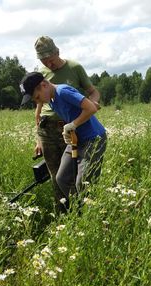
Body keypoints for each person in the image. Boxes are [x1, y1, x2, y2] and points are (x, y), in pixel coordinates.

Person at [22, 36, 100, 212]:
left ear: (57, 52)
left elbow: (93, 93)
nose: (49, 64)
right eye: (44, 61)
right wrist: (38, 138)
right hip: (47, 129)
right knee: (57, 177)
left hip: (70, 127)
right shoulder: (40, 76)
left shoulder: (74, 68)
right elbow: (38, 108)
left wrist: (91, 106)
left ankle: (83, 211)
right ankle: (65, 216)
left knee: (78, 175)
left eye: (50, 60)